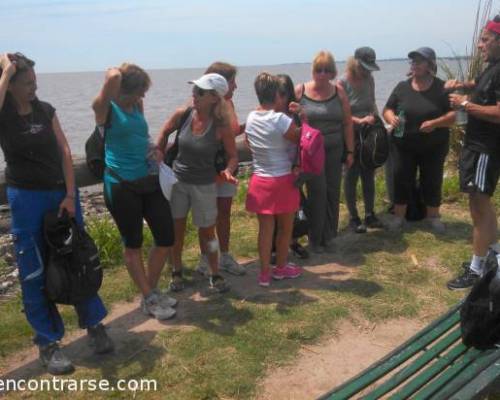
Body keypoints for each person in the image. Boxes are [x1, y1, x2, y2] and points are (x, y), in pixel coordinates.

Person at [0, 53, 113, 375]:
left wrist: (68, 193)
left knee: (76, 260)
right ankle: (48, 342)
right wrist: (5, 72)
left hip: (60, 195)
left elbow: (65, 150)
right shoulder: (4, 116)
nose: (34, 88)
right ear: (10, 85)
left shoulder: (46, 110)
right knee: (33, 271)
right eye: (26, 83)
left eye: (35, 82)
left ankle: (94, 324)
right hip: (26, 199)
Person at [93, 63, 177, 321]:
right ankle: (150, 296)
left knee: (165, 237)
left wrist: (154, 149)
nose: (142, 97)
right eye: (139, 91)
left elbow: (142, 135)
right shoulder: (105, 109)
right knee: (133, 243)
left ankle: (148, 292)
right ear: (122, 89)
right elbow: (110, 79)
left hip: (147, 179)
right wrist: (119, 74)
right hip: (121, 184)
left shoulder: (136, 106)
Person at [156, 73, 238, 293]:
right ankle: (176, 271)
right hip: (178, 182)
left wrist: (228, 172)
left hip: (205, 186)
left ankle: (215, 272)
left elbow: (233, 156)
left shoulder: (221, 126)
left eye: (200, 92)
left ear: (214, 98)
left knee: (208, 233)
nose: (195, 95)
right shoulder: (183, 115)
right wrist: (158, 155)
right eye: (194, 90)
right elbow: (164, 132)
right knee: (177, 230)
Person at [446, 16, 500, 289]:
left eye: (485, 40)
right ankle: (496, 256)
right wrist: (462, 86)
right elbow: (481, 86)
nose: (480, 46)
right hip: (477, 147)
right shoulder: (492, 67)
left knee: (478, 205)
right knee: (482, 203)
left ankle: (477, 269)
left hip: (485, 149)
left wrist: (465, 105)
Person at [383, 47, 455, 232]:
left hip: (433, 145)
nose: (414, 64)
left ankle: (433, 217)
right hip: (403, 145)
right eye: (412, 61)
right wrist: (391, 118)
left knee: (432, 179)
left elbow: (455, 116)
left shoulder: (442, 88)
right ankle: (399, 217)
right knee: (401, 177)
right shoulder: (402, 87)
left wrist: (436, 122)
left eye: (418, 61)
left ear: (430, 65)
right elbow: (387, 109)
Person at [245, 72, 303, 286]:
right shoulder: (281, 120)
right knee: (285, 228)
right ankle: (280, 268)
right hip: (282, 179)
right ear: (277, 95)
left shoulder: (251, 117)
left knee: (265, 230)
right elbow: (299, 139)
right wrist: (302, 116)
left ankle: (263, 274)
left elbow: (250, 144)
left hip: (260, 180)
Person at [295, 50, 354, 253]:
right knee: (316, 194)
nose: (321, 74)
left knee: (332, 191)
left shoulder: (339, 92)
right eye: (318, 70)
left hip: (334, 149)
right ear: (313, 71)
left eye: (326, 70)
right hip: (311, 152)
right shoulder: (300, 91)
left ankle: (329, 235)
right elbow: (287, 120)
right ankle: (314, 237)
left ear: (332, 73)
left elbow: (347, 123)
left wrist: (350, 151)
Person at [196, 62, 246, 276]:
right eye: (232, 82)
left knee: (224, 214)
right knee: (206, 219)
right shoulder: (200, 106)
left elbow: (230, 133)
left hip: (227, 169)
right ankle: (206, 258)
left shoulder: (229, 105)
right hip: (207, 171)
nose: (235, 86)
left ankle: (224, 255)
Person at [340, 47, 383, 233]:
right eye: (364, 67)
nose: (367, 71)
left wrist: (376, 120)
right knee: (351, 175)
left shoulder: (369, 79)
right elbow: (341, 115)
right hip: (350, 135)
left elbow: (372, 102)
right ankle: (353, 217)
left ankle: (370, 214)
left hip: (368, 135)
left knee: (368, 175)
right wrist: (360, 120)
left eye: (369, 68)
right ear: (354, 63)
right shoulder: (342, 83)